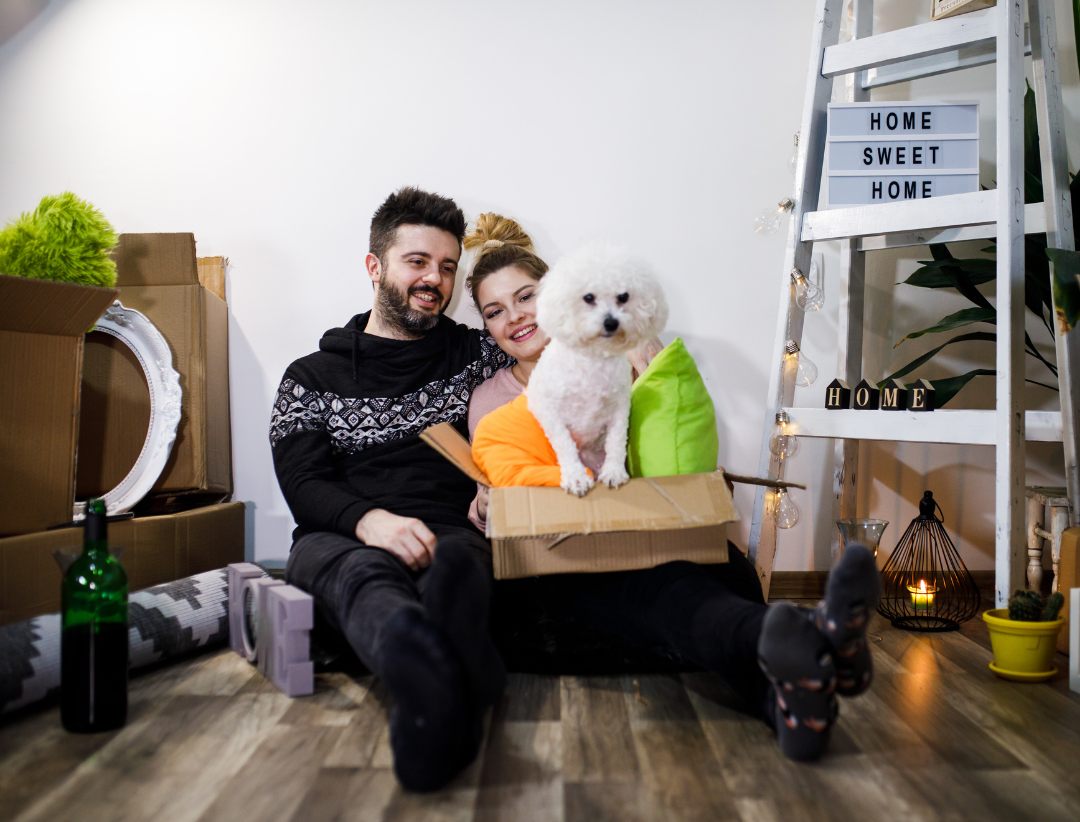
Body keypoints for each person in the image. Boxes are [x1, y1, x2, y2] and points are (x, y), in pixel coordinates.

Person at [461, 213, 881, 761]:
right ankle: (814, 639)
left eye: (526, 297)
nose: (515, 317)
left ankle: (795, 697)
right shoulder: (491, 399)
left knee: (702, 572)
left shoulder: (623, 356)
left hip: (638, 532)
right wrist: (488, 498)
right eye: (495, 311)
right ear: (487, 327)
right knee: (666, 592)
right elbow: (506, 478)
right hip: (562, 556)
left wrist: (642, 354)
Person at [270, 188, 511, 792]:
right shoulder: (309, 378)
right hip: (341, 536)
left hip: (452, 531)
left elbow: (551, 363)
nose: (435, 278)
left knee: (460, 564)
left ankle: (432, 680)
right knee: (360, 576)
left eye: (448, 266)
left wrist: (634, 357)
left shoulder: (477, 355)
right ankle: (421, 663)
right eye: (417, 261)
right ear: (375, 266)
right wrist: (371, 522)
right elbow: (302, 484)